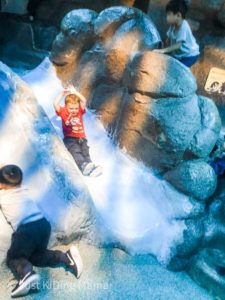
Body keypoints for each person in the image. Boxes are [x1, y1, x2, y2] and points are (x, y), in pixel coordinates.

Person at [0, 165, 83, 298]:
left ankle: (27, 275)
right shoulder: (23, 189)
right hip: (43, 225)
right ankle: (66, 257)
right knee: (37, 257)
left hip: (26, 229)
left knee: (14, 258)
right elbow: (8, 171)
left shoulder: (3, 195)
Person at [54, 87, 102, 177]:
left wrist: (76, 93)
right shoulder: (63, 112)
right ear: (66, 106)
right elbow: (55, 104)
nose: (74, 110)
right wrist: (61, 94)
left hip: (82, 137)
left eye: (75, 108)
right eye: (71, 108)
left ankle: (90, 166)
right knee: (76, 151)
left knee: (85, 150)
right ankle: (83, 165)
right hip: (70, 138)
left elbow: (83, 100)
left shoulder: (79, 111)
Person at [154, 0, 200, 67]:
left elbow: (178, 45)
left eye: (169, 14)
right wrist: (163, 47)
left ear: (178, 15)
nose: (167, 17)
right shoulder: (173, 25)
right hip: (180, 54)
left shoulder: (184, 26)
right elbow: (168, 38)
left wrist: (163, 50)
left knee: (180, 68)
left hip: (190, 55)